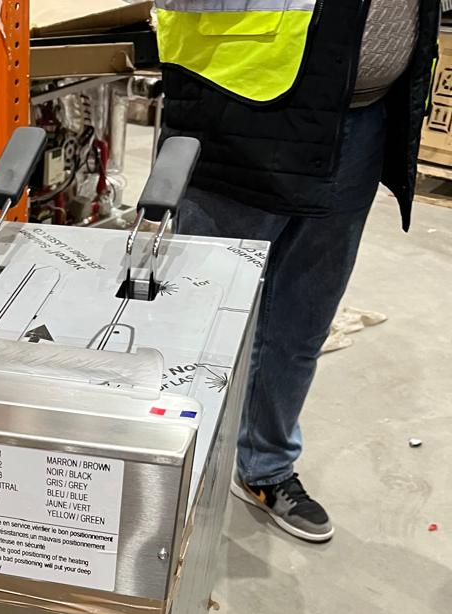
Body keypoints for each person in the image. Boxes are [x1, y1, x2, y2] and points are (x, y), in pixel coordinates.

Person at [155, 0, 440, 542]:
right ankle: (171, 469)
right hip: (243, 114)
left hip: (363, 117)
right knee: (201, 318)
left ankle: (265, 467)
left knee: (302, 320)